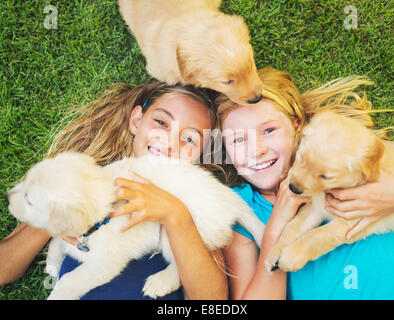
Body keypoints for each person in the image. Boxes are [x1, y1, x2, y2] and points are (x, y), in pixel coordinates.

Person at [1, 81, 228, 300]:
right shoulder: (83, 186)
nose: (170, 142)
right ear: (137, 120)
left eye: (189, 139)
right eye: (162, 123)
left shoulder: (194, 205)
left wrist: (176, 214)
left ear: (199, 158)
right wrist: (57, 213)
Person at [218, 67, 394, 299]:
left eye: (269, 130)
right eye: (238, 139)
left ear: (297, 125)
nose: (257, 150)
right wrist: (276, 226)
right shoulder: (243, 211)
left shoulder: (346, 149)